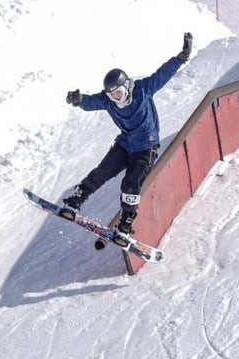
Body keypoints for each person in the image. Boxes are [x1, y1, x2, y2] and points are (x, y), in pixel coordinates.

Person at [61, 33, 193, 246]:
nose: (116, 98)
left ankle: (125, 226)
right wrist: (79, 100)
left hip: (146, 146)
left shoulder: (143, 89)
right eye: (112, 95)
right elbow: (91, 101)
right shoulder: (108, 101)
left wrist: (181, 57)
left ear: (126, 86)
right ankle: (75, 201)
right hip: (125, 143)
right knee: (102, 172)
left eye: (118, 93)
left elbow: (163, 74)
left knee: (130, 184)